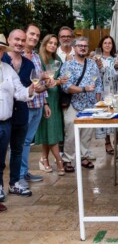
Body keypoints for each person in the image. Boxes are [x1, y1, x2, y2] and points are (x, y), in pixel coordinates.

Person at [1, 30, 38, 198]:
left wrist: (34, 88)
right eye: (17, 39)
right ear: (10, 40)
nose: (20, 43)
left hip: (13, 116)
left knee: (16, 151)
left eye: (0, 49)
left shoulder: (10, 68)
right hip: (4, 118)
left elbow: (21, 92)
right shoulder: (6, 62)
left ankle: (14, 183)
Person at [60, 37, 102, 171]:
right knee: (71, 133)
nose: (83, 48)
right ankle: (68, 159)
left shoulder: (92, 64)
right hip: (74, 103)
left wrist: (97, 102)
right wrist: (84, 89)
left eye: (85, 46)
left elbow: (98, 83)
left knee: (87, 133)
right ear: (74, 47)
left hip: (90, 104)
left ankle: (83, 156)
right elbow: (66, 86)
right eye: (80, 46)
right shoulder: (68, 65)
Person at [20, 24, 51, 185]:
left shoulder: (37, 57)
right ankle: (18, 176)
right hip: (24, 105)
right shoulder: (16, 56)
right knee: (20, 141)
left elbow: (40, 81)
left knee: (27, 141)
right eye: (32, 34)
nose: (34, 37)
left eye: (37, 35)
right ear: (25, 34)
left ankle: (24, 172)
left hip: (38, 104)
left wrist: (45, 103)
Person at [35, 34, 67, 176]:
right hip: (44, 98)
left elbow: (59, 79)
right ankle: (59, 161)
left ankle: (44, 159)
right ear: (44, 43)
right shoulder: (39, 59)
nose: (53, 45)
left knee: (50, 130)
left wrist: (60, 81)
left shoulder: (57, 59)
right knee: (51, 130)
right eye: (50, 43)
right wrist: (45, 103)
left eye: (55, 43)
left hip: (56, 97)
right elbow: (37, 81)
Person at [94, 35, 118, 155]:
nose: (108, 45)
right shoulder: (96, 59)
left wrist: (117, 67)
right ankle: (107, 142)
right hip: (102, 91)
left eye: (110, 43)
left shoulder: (116, 59)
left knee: (115, 115)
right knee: (104, 116)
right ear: (101, 45)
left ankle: (117, 140)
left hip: (114, 91)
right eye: (105, 43)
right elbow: (94, 76)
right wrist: (98, 67)